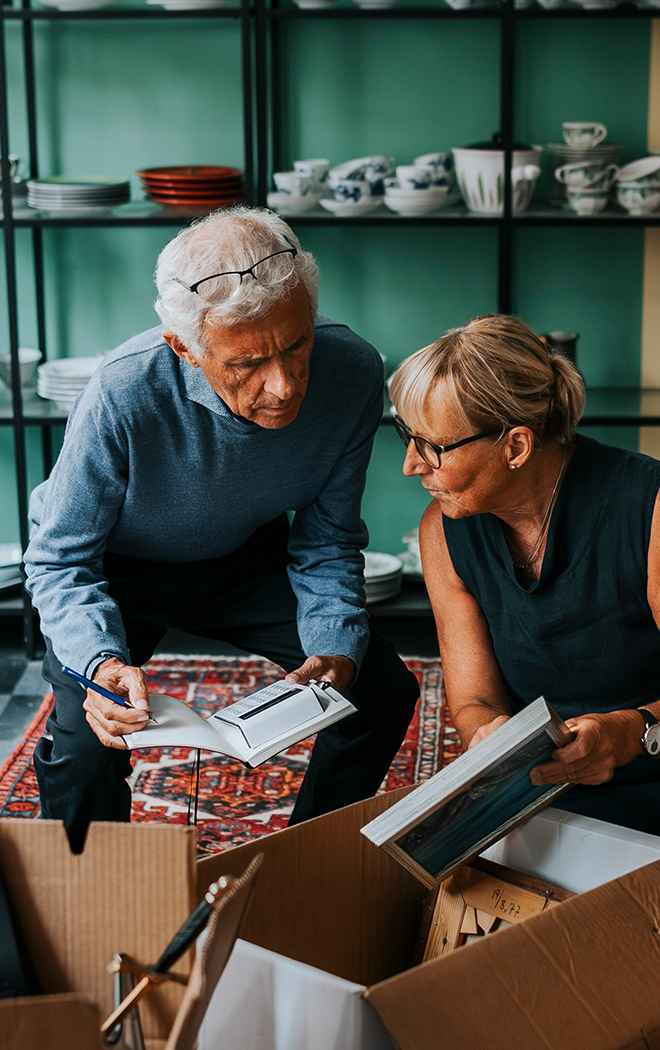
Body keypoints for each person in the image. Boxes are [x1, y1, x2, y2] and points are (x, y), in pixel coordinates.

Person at [24, 206, 420, 840]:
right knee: (89, 747)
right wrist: (98, 663)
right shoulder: (122, 392)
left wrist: (334, 643)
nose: (285, 385)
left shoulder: (354, 373)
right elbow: (60, 558)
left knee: (378, 691)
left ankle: (310, 857)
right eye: (246, 365)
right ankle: (79, 896)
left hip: (243, 553)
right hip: (113, 567)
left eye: (298, 345)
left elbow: (328, 537)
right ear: (185, 348)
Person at [389, 314, 660, 902]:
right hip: (543, 783)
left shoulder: (650, 503)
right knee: (440, 908)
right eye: (406, 437)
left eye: (433, 447)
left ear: (516, 446)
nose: (411, 465)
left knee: (634, 926)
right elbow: (474, 700)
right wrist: (492, 740)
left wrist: (628, 732)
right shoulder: (444, 532)